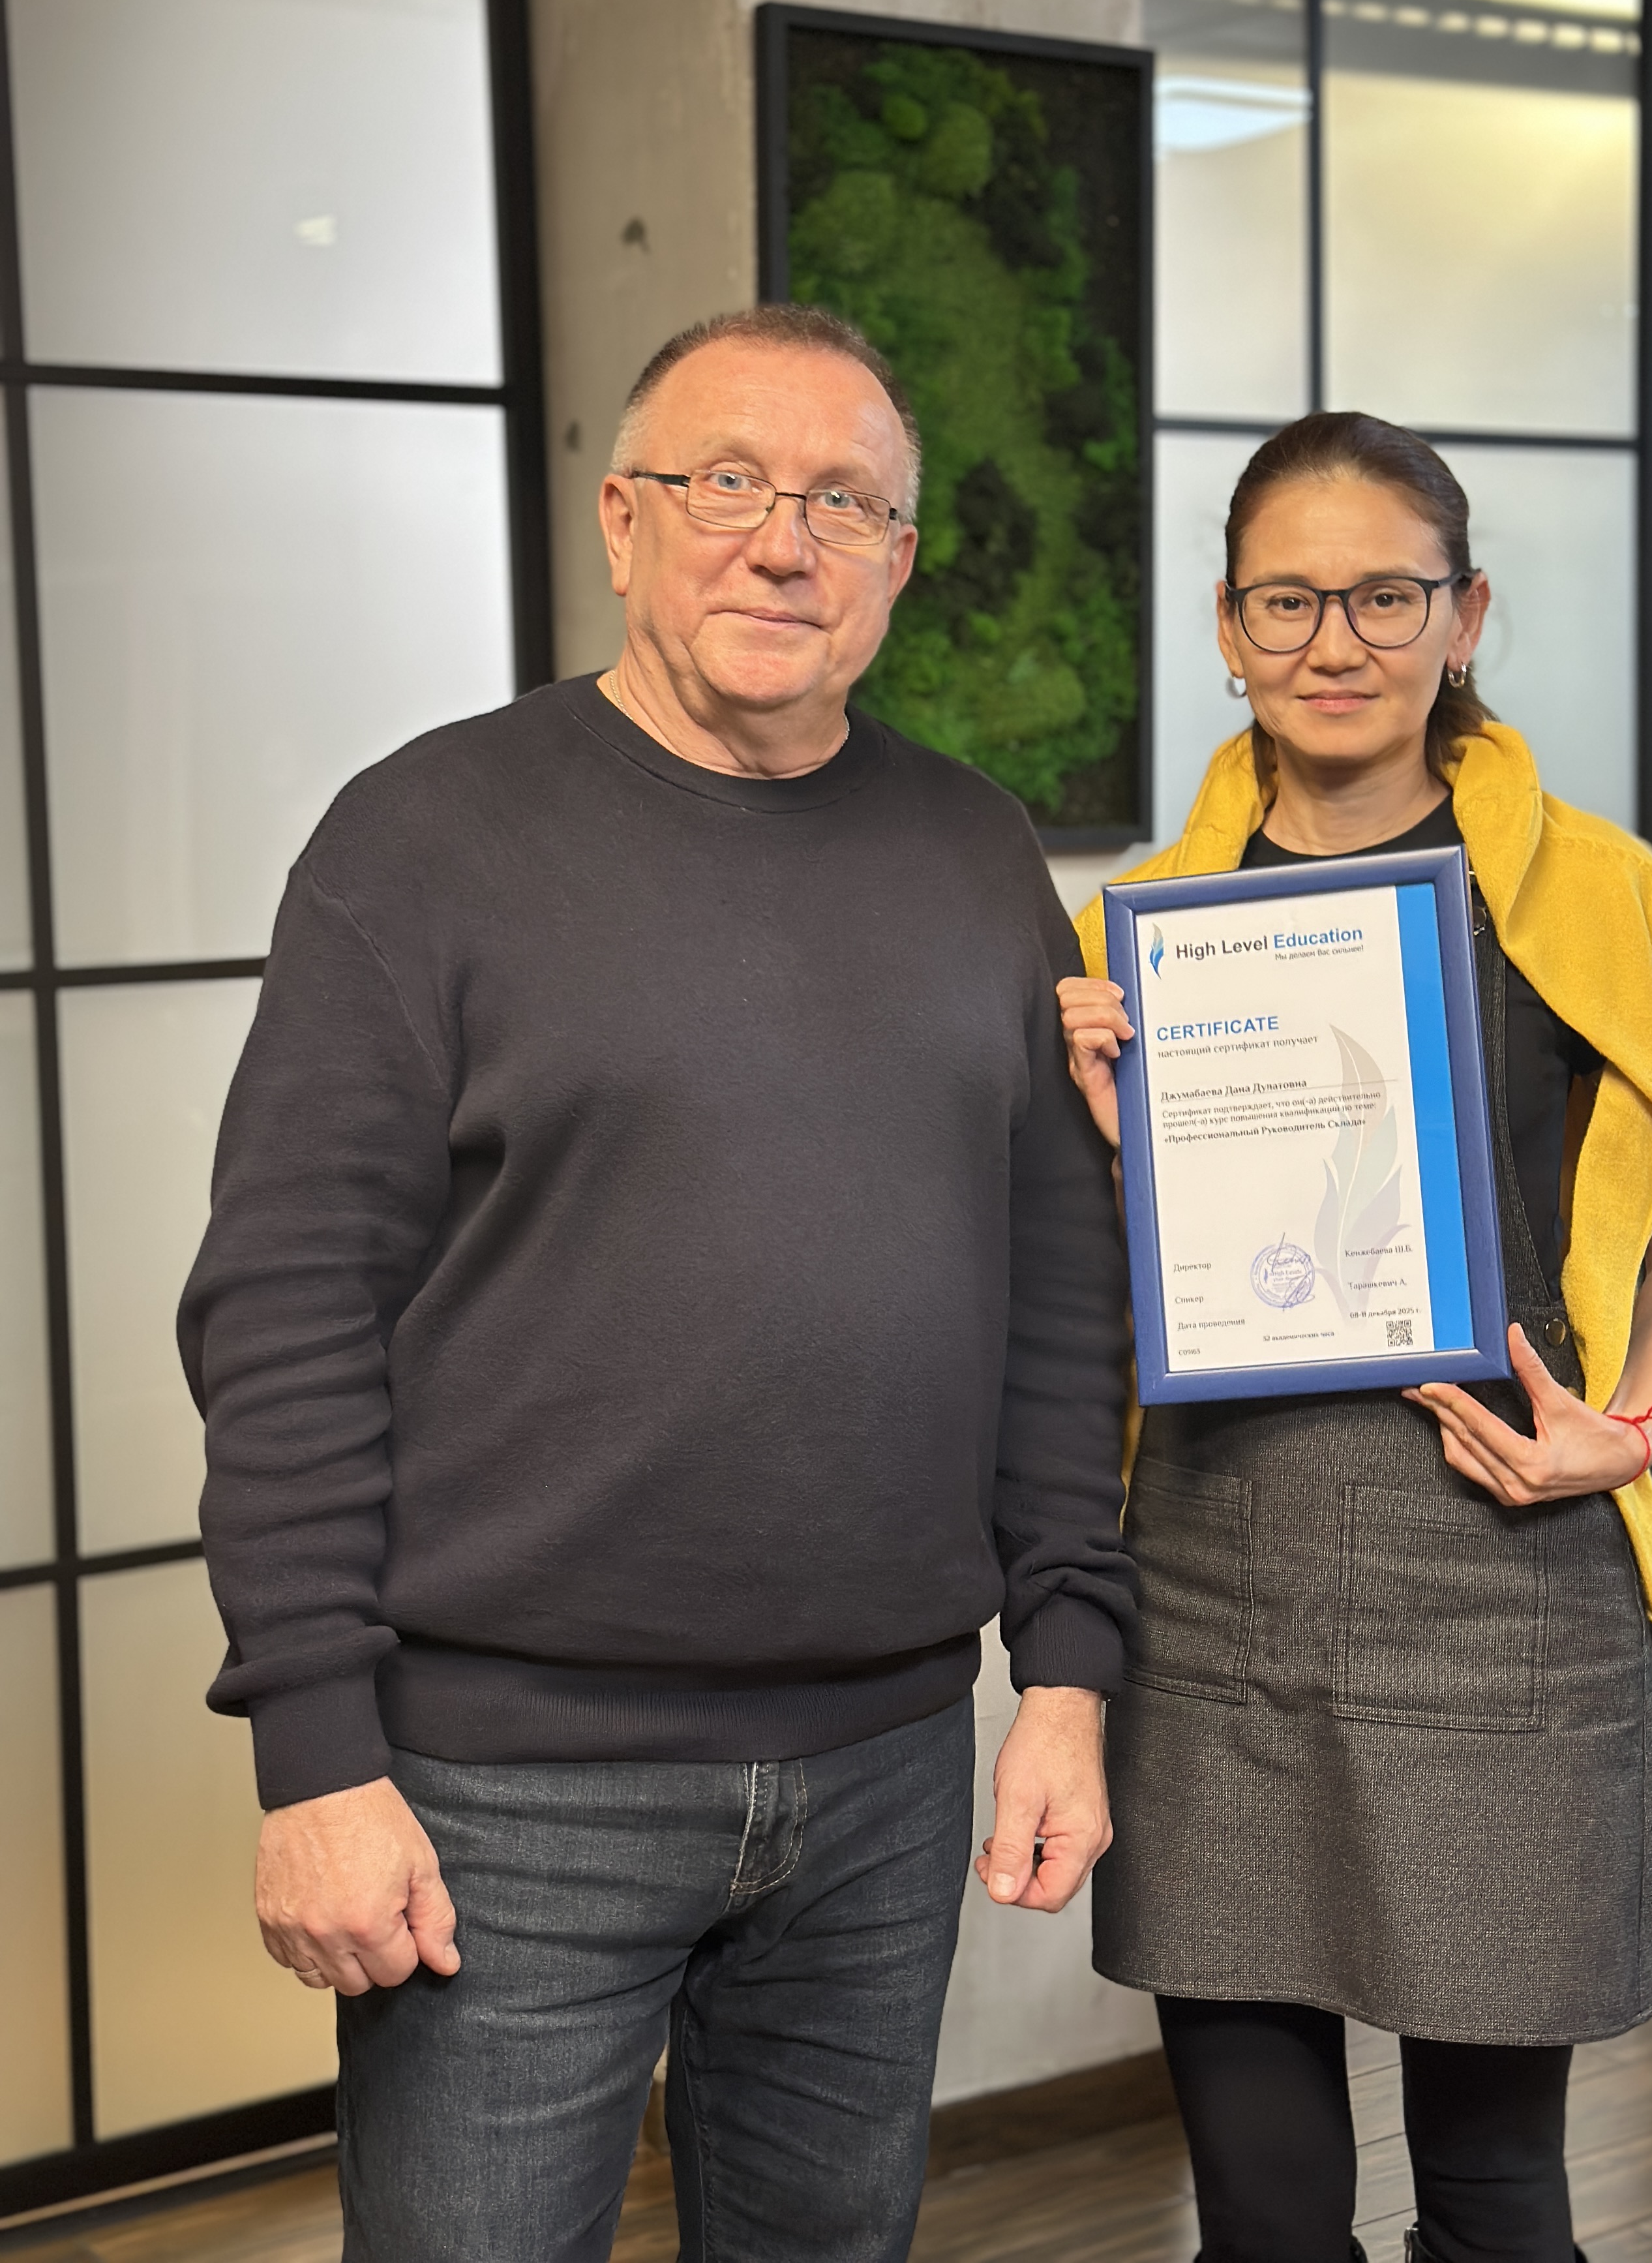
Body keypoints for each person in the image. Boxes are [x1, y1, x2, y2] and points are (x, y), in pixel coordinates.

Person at [181, 303, 1135, 2263]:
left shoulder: (979, 855)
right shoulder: (422, 838)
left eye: (843, 503)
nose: (784, 543)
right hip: (500, 1787)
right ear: (622, 523)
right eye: (727, 485)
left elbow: (1059, 1305)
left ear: (899, 562)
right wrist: (316, 1755)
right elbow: (284, 1313)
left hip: (884, 1768)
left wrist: (1066, 1673)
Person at [1057, 413, 1652, 2263]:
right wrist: (1103, 1135)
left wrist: (1630, 1428)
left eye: (1385, 597)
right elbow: (1085, 1301)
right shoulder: (1138, 935)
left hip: (1509, 1574)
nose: (1336, 642)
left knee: (1500, 2204)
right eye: (1288, 601)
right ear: (1228, 628)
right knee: (1263, 2217)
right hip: (1215, 1590)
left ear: (1466, 615)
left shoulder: (1605, 899)